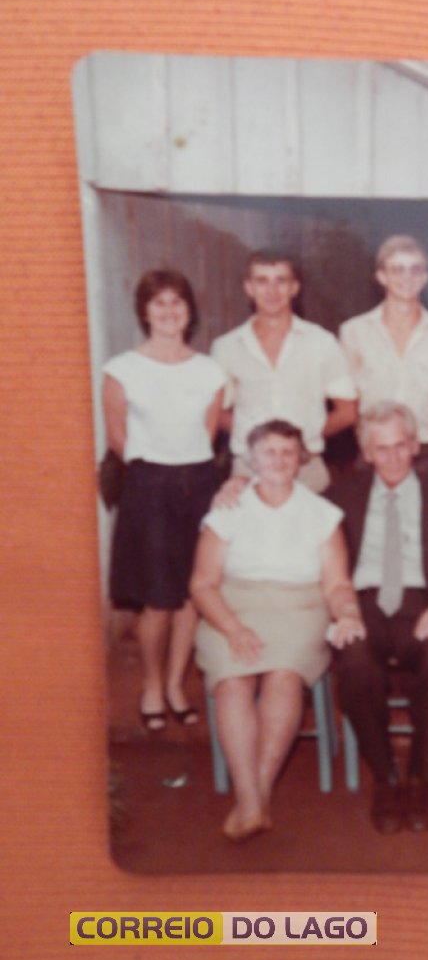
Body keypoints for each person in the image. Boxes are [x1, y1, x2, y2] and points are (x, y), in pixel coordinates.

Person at [190, 420, 364, 842]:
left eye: (288, 452)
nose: (279, 461)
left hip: (299, 606)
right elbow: (201, 585)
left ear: (302, 458)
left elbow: (337, 584)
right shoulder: (227, 510)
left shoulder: (321, 513)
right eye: (269, 452)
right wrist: (232, 628)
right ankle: (253, 801)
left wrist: (348, 612)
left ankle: (253, 799)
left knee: (283, 678)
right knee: (233, 684)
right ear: (250, 460)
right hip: (231, 605)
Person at [326, 402, 428, 834]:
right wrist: (239, 483)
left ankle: (419, 778)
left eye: (400, 446)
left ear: (414, 446)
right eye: (381, 449)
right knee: (354, 664)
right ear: (366, 452)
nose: (391, 458)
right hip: (364, 605)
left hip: (425, 603)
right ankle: (385, 776)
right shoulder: (339, 497)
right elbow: (286, 510)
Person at [102, 268, 226, 731]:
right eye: (159, 303)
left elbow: (207, 435)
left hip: (198, 483)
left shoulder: (210, 370)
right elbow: (118, 439)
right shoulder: (121, 370)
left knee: (194, 595)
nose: (169, 311)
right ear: (145, 312)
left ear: (189, 311)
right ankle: (152, 685)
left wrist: (188, 474)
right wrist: (157, 475)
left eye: (177, 302)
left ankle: (177, 683)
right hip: (148, 486)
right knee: (157, 600)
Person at [211, 248, 357, 493]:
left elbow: (348, 412)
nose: (272, 291)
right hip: (249, 471)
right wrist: (254, 441)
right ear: (249, 288)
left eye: (281, 281)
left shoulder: (322, 342)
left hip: (307, 470)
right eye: (262, 281)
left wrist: (304, 441)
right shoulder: (226, 347)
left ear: (294, 288)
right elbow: (217, 412)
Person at [340, 235, 428, 484]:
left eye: (415, 270)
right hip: (377, 452)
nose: (407, 278)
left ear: (426, 277)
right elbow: (351, 402)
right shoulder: (354, 331)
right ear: (382, 276)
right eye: (397, 270)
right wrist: (369, 446)